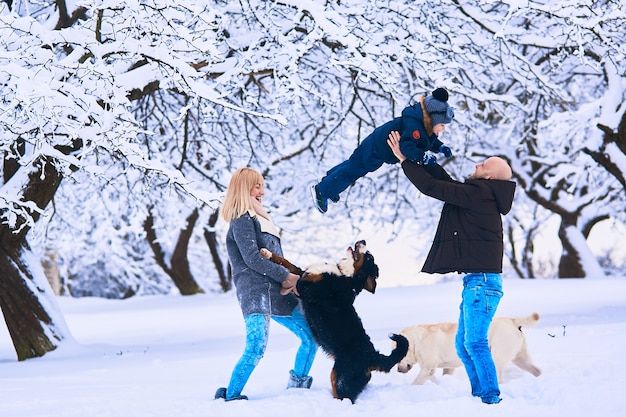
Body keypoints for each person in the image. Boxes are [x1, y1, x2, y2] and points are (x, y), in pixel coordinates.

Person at [387, 131, 516, 405]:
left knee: (476, 343)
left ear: (490, 177)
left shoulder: (481, 195)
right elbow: (447, 184)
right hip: (476, 282)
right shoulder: (481, 194)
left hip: (482, 283)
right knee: (463, 344)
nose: (477, 165)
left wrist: (404, 161)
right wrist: (424, 159)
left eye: (484, 165)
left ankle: (490, 398)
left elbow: (435, 188)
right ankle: (480, 395)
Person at [214, 167, 318, 401]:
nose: (262, 190)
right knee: (256, 347)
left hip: (279, 292)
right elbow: (252, 258)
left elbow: (274, 256)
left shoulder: (262, 219)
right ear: (243, 188)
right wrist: (284, 276)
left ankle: (298, 388)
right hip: (255, 292)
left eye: (262, 185)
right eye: (256, 185)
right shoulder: (241, 219)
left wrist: (293, 277)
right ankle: (230, 396)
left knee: (311, 336)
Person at [310, 87, 455, 213]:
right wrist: (423, 158)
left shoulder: (422, 126)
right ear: (433, 120)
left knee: (353, 165)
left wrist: (440, 147)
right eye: (442, 125)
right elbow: (407, 147)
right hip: (376, 149)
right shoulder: (415, 127)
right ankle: (322, 191)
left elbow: (428, 141)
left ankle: (330, 183)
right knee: (354, 169)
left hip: (378, 147)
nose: (443, 128)